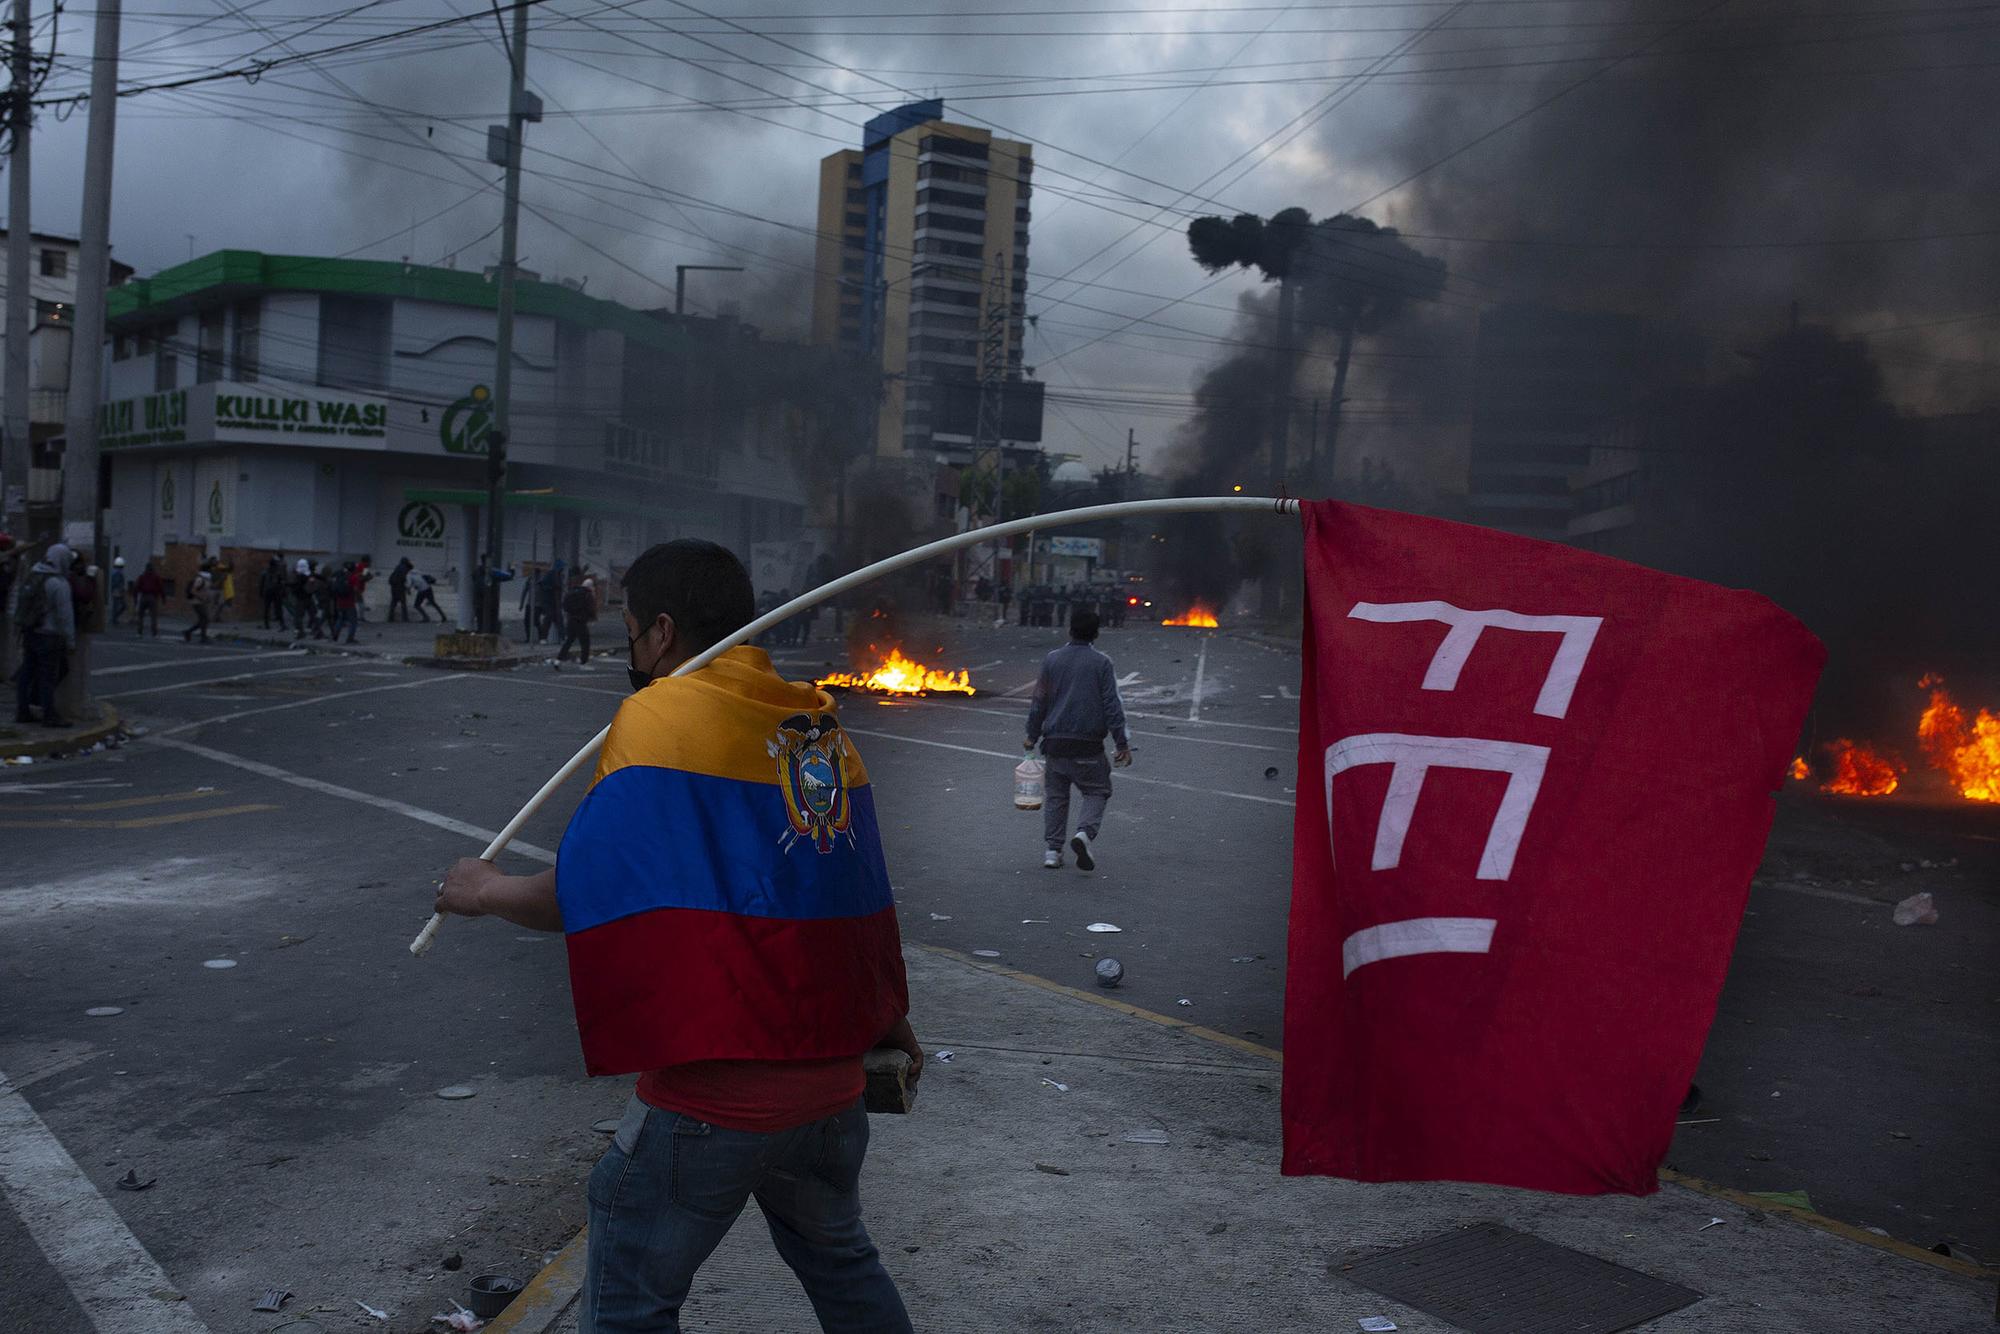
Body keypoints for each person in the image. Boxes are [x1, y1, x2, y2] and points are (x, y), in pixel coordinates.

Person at [431, 539, 919, 1334]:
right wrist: (889, 1013)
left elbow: (590, 888)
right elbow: (853, 892)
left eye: (628, 631)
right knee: (842, 1264)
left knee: (627, 1299)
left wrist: (481, 891)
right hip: (831, 1089)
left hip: (717, 1096)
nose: (631, 650)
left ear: (660, 631)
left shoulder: (658, 716)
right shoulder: (820, 727)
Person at [1024, 607, 1132, 872]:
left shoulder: (1052, 660)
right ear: (1096, 634)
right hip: (1088, 745)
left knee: (1057, 797)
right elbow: (1111, 705)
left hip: (1055, 742)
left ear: (1070, 629)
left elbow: (1039, 701)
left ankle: (1052, 850)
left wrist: (1031, 734)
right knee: (1097, 790)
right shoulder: (1102, 663)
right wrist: (1122, 743)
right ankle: (1084, 832)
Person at [13, 542, 76, 727]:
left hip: (30, 632)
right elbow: (66, 616)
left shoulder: (34, 574)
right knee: (48, 676)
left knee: (26, 673)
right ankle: (49, 715)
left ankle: (22, 711)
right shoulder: (58, 583)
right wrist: (70, 641)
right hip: (49, 635)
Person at [556, 573, 597, 665]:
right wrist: (592, 617)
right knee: (585, 641)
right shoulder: (587, 594)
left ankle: (559, 658)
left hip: (571, 619)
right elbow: (590, 608)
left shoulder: (573, 591)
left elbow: (565, 605)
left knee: (569, 640)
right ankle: (584, 660)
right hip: (581, 621)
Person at [183, 562, 215, 643]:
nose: (211, 571)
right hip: (197, 602)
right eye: (210, 569)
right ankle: (202, 637)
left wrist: (208, 598)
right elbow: (192, 590)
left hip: (201, 602)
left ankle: (189, 632)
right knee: (206, 619)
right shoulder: (200, 579)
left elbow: (205, 590)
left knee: (203, 620)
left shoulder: (206, 579)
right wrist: (201, 598)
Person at [330, 562, 360, 643]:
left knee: (340, 619)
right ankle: (350, 638)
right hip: (349, 603)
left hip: (340, 602)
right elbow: (355, 590)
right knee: (353, 621)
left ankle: (335, 636)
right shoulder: (353, 577)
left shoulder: (340, 576)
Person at [134, 559, 164, 635]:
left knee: (141, 615)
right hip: (152, 597)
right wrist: (163, 598)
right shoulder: (156, 577)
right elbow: (161, 588)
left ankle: (140, 630)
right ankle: (154, 631)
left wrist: (135, 598)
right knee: (153, 616)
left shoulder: (142, 576)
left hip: (143, 596)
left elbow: (137, 588)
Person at [259, 556, 286, 629]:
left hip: (273, 592)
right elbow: (261, 583)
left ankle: (280, 624)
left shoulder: (275, 572)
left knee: (275, 608)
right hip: (270, 592)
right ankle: (270, 624)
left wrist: (283, 591)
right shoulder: (269, 572)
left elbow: (281, 583)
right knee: (270, 608)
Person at [388, 557, 414, 622]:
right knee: (403, 603)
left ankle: (390, 618)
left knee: (393, 603)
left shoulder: (398, 567)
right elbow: (403, 578)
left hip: (394, 587)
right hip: (400, 587)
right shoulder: (404, 568)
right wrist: (407, 588)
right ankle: (405, 618)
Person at [110, 556, 128, 626]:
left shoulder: (114, 572)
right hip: (118, 591)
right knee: (121, 606)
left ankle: (114, 618)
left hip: (115, 591)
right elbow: (118, 583)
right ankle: (114, 619)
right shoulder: (118, 573)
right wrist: (122, 590)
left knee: (116, 606)